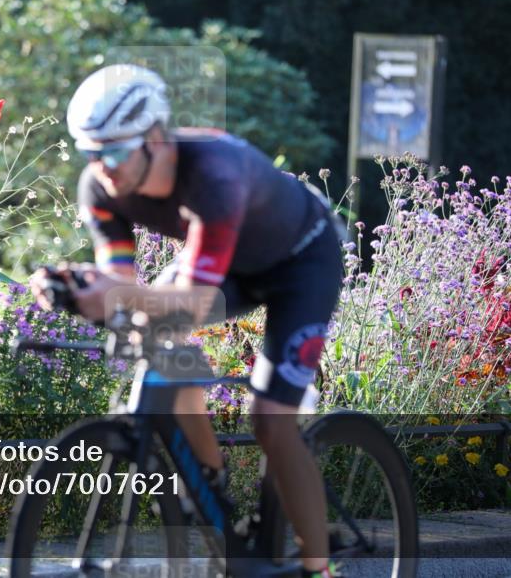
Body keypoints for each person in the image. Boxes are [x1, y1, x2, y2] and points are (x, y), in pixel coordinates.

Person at [31, 64, 344, 578]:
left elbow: (194, 303)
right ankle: (212, 484)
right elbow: (124, 284)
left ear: (155, 137)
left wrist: (121, 297)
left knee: (269, 418)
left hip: (301, 263)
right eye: (91, 153)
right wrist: (85, 291)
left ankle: (319, 568)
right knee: (154, 338)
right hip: (231, 265)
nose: (102, 167)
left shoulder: (213, 175)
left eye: (114, 151)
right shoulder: (101, 187)